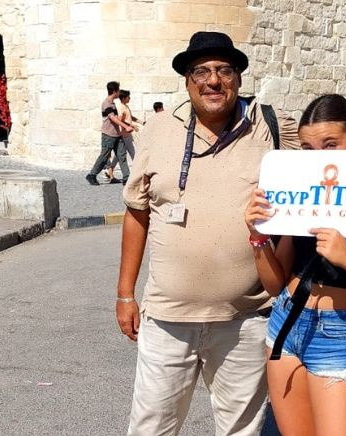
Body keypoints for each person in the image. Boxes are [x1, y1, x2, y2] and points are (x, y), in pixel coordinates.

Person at [116, 31, 300, 436]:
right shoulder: (158, 129)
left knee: (240, 430)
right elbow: (137, 213)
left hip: (246, 318)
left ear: (238, 78)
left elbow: (312, 190)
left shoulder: (271, 127)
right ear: (187, 81)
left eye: (224, 70)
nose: (213, 81)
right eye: (201, 71)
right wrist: (125, 294)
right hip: (167, 318)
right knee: (151, 428)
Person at [244, 94, 346, 436]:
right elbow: (274, 284)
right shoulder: (300, 196)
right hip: (285, 320)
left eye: (330, 145)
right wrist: (258, 236)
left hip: (338, 331)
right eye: (308, 148)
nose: (319, 157)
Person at [86, 81, 135, 185]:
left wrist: (126, 126)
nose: (119, 92)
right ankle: (92, 175)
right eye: (118, 90)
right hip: (108, 135)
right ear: (114, 91)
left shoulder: (113, 104)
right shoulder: (106, 104)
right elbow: (112, 118)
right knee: (104, 156)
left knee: (122, 155)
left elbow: (117, 118)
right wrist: (126, 126)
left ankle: (126, 178)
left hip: (117, 135)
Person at [108, 90, 140, 179]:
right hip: (124, 135)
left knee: (119, 155)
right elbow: (120, 120)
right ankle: (138, 174)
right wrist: (131, 125)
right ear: (123, 98)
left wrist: (141, 122)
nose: (130, 98)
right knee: (134, 154)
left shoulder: (126, 107)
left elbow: (130, 117)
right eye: (128, 97)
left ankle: (110, 170)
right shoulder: (121, 108)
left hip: (127, 134)